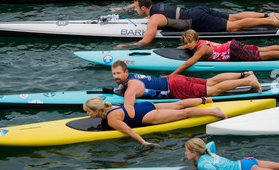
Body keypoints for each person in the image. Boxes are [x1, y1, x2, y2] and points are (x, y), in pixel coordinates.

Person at [114, 0, 279, 48]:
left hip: (197, 19)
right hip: (198, 10)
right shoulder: (158, 6)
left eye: (136, 7)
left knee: (234, 26)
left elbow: (146, 41)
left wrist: (127, 45)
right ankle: (268, 16)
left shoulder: (153, 20)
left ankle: (272, 22)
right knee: (234, 17)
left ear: (143, 8)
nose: (135, 10)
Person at [83, 96, 227, 146]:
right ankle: (204, 99)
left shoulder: (111, 118)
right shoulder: (108, 105)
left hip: (148, 116)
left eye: (89, 111)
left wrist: (143, 142)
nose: (88, 114)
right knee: (179, 104)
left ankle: (215, 112)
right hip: (145, 105)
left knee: (183, 113)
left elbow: (128, 131)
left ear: (97, 111)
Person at [110, 59, 263, 103]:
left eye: (118, 73)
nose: (116, 76)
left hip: (175, 88)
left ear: (126, 72)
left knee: (213, 91)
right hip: (173, 80)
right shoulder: (131, 77)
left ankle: (249, 81)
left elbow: (128, 108)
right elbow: (124, 83)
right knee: (209, 82)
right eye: (114, 74)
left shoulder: (131, 87)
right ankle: (244, 74)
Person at [170, 29, 279, 74]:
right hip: (232, 45)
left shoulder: (201, 49)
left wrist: (173, 74)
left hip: (233, 51)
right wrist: (182, 47)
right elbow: (189, 45)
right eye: (186, 43)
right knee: (260, 49)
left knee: (261, 56)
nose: (187, 45)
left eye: (189, 42)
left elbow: (189, 63)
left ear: (196, 40)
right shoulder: (199, 42)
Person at [185, 138, 279, 170]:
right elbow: (212, 143)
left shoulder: (202, 164)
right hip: (247, 162)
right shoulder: (208, 152)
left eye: (187, 151)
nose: (185, 153)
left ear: (194, 153)